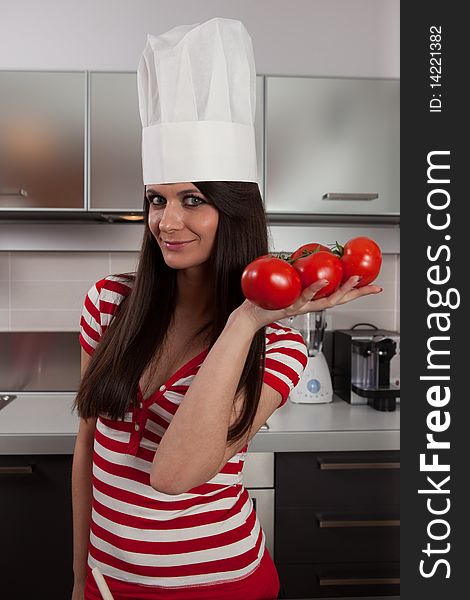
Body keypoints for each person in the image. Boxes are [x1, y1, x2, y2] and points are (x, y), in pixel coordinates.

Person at [71, 19, 382, 600]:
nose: (167, 221)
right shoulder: (108, 304)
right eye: (156, 200)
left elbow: (174, 476)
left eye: (193, 200)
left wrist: (245, 319)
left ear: (233, 212)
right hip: (109, 584)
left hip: (221, 585)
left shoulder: (277, 345)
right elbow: (87, 449)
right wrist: (79, 577)